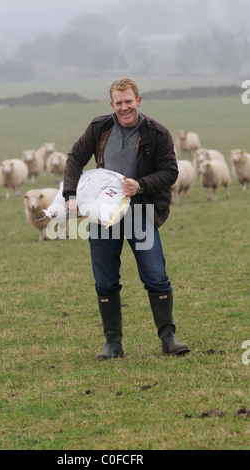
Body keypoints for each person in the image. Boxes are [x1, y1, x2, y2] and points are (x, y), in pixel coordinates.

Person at [63, 78, 190, 360]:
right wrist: (71, 195)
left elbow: (170, 172)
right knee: (105, 281)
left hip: (140, 212)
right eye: (119, 103)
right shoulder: (99, 128)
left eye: (129, 102)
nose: (124, 107)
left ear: (139, 101)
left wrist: (141, 185)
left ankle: (169, 338)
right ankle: (113, 344)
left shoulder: (157, 133)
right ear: (112, 105)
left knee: (156, 276)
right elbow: (75, 158)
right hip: (102, 215)